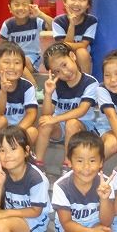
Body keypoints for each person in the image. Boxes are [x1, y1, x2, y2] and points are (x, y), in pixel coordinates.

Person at [33, 42, 99, 175]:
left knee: (71, 123)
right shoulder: (57, 84)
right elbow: (47, 113)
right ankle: (38, 164)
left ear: (72, 56)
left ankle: (68, 164)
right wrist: (48, 93)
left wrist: (55, 119)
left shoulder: (90, 83)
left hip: (83, 126)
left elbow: (82, 110)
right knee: (45, 122)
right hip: (61, 126)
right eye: (57, 71)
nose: (64, 72)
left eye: (64, 65)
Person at [0, 42, 39, 178]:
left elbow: (32, 113)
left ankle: (22, 160)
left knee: (33, 131)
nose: (12, 67)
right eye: (6, 62)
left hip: (18, 129)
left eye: (17, 63)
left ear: (23, 67)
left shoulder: (27, 86)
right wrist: (3, 91)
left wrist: (16, 132)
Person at [0, 0, 53, 96]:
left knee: (21, 62)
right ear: (10, 8)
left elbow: (54, 25)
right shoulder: (7, 25)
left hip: (32, 57)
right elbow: (3, 45)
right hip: (13, 57)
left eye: (25, 4)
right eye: (16, 4)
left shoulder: (36, 21)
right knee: (15, 62)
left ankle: (36, 89)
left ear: (31, 7)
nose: (20, 8)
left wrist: (40, 14)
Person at [52, 0, 97, 74]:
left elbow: (83, 45)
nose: (76, 3)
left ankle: (87, 80)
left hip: (84, 59)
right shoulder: (58, 21)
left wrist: (65, 44)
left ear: (88, 4)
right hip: (65, 56)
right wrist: (71, 24)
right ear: (65, 1)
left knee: (81, 52)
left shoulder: (91, 21)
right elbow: (65, 50)